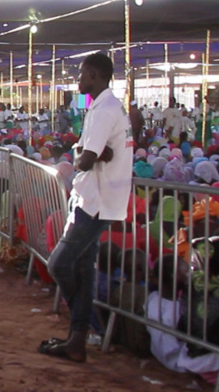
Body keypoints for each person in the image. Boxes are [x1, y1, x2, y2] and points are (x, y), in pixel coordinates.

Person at [38, 52, 132, 363]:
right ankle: (77, 339)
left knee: (59, 264)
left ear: (93, 74)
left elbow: (85, 160)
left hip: (96, 201)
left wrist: (81, 154)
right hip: (97, 199)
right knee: (82, 268)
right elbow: (98, 153)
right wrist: (92, 153)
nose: (78, 80)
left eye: (81, 74)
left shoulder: (104, 109)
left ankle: (80, 316)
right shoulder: (105, 106)